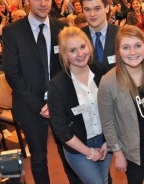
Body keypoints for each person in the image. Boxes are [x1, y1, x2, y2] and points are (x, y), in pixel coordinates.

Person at [2, 0, 81, 184]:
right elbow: (12, 74)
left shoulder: (60, 28)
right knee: (38, 158)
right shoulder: (12, 31)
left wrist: (54, 102)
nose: (43, 3)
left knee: (69, 153)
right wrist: (40, 105)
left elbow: (66, 67)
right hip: (29, 106)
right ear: (26, 0)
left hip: (59, 103)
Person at [98, 25, 144, 184]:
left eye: (137, 46)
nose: (132, 52)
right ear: (118, 50)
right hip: (130, 150)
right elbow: (107, 122)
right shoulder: (108, 81)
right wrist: (118, 154)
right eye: (126, 47)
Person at [48, 27, 111, 184]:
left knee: (104, 179)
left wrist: (109, 141)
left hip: (105, 142)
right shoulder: (57, 85)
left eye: (83, 47)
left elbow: (114, 110)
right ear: (64, 55)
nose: (81, 54)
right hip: (78, 147)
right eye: (73, 50)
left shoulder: (102, 72)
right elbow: (61, 129)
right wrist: (89, 152)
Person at [80, 0, 119, 83]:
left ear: (106, 8)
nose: (92, 14)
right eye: (87, 9)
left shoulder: (121, 34)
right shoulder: (78, 38)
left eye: (97, 8)